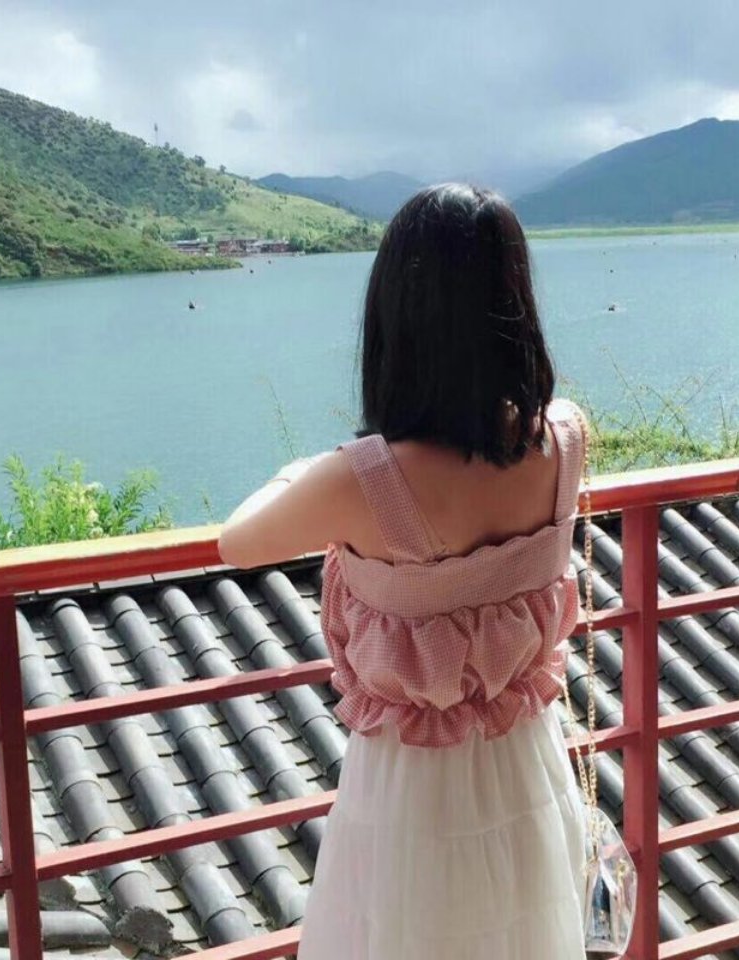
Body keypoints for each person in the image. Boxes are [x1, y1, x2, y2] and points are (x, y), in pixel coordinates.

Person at [218, 183, 588, 959]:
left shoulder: (367, 479)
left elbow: (239, 542)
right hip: (527, 765)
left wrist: (302, 471)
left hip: (411, 797)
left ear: (397, 313)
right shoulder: (564, 439)